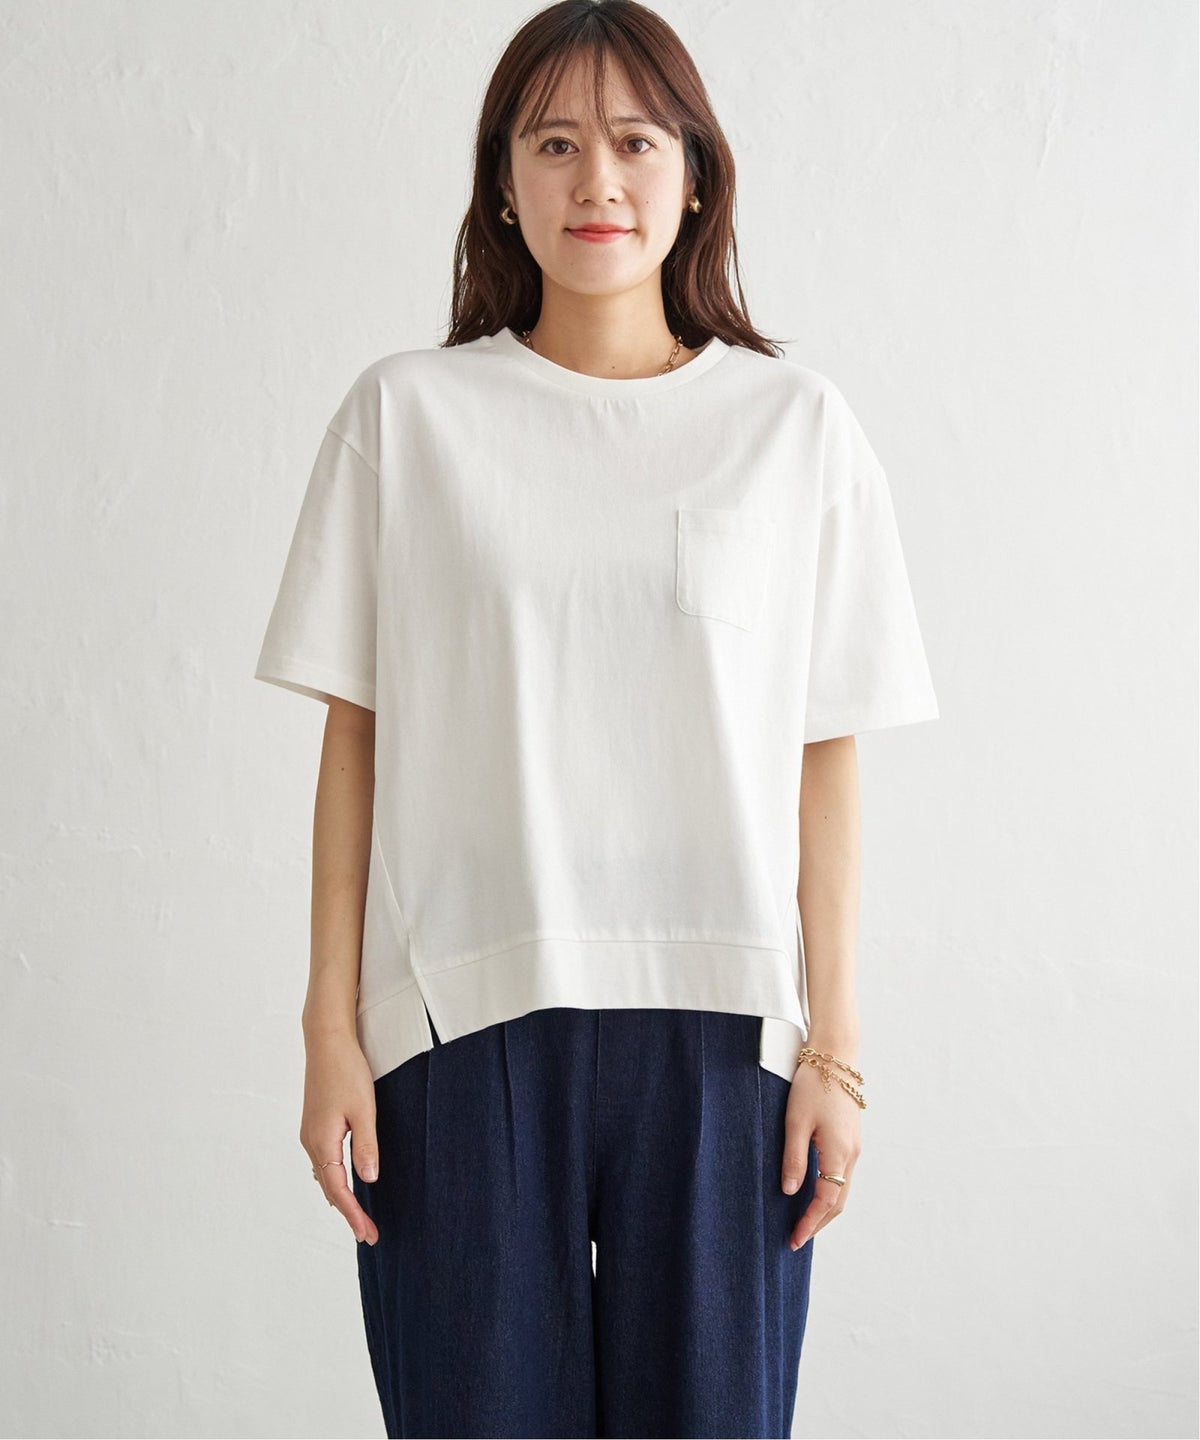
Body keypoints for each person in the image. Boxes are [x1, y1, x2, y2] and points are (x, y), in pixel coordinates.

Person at [254, 2, 939, 1435]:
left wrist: (838, 1047)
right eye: (554, 144)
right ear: (505, 182)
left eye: (635, 142)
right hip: (457, 1023)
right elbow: (356, 738)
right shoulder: (407, 418)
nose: (598, 182)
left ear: (695, 175)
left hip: (725, 1043)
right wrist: (328, 1027)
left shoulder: (795, 430)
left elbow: (824, 755)